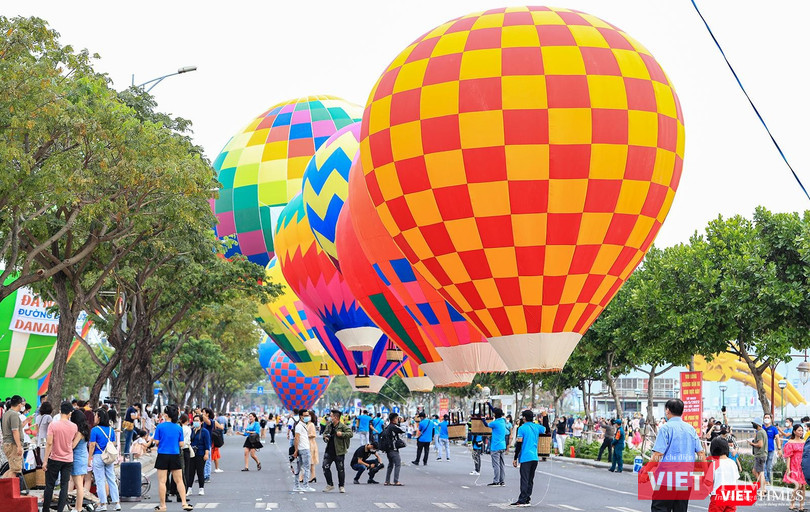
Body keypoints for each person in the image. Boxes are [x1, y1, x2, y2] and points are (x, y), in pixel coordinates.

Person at [646, 399, 705, 512]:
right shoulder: (691, 429)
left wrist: (646, 470)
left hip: (666, 480)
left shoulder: (666, 428)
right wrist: (706, 474)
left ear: (667, 410)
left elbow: (658, 453)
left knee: (660, 508)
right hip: (685, 480)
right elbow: (701, 453)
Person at [42, 402, 79, 512]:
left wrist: (45, 461)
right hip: (68, 459)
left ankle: (45, 509)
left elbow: (49, 443)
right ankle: (60, 510)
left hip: (54, 458)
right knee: (64, 485)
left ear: (60, 411)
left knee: (49, 485)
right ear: (70, 413)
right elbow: (72, 442)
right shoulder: (74, 426)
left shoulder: (53, 425)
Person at [89, 408, 121, 512]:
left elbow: (92, 445)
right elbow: (113, 443)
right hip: (109, 457)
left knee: (100, 481)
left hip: (98, 456)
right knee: (111, 479)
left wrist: (89, 458)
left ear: (99, 417)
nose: (94, 417)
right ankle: (117, 503)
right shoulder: (111, 430)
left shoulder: (95, 430)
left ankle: (103, 504)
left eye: (95, 415)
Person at [511, 410, 545, 507]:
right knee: (530, 479)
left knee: (524, 479)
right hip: (534, 457)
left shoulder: (521, 428)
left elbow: (519, 444)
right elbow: (546, 429)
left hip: (526, 457)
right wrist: (545, 417)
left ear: (524, 418)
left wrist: (515, 458)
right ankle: (527, 499)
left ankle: (522, 500)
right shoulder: (537, 427)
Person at [322, 409, 353, 493]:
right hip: (329, 451)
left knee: (340, 469)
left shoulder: (343, 426)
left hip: (339, 451)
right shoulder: (329, 425)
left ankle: (341, 486)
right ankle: (330, 484)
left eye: (331, 416)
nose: (330, 417)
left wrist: (341, 434)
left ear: (336, 417)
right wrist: (325, 437)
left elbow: (350, 434)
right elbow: (325, 433)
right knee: (325, 466)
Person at [69, 409, 90, 512]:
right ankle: (78, 507)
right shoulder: (85, 431)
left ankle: (78, 508)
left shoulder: (79, 433)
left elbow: (73, 445)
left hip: (77, 459)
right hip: (83, 457)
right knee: (80, 483)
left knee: (79, 485)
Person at [782, 423, 806, 511]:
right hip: (794, 465)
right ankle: (792, 504)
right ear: (794, 431)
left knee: (803, 487)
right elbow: (788, 456)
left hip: (803, 465)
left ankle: (801, 506)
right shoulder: (790, 442)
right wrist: (788, 468)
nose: (801, 432)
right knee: (798, 486)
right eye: (799, 430)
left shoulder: (804, 442)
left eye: (802, 430)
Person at [482, 407, 508, 486]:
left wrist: (483, 419)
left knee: (496, 464)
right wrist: (489, 405)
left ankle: (496, 481)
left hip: (496, 446)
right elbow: (496, 412)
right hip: (502, 446)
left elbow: (486, 424)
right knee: (502, 464)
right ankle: (502, 481)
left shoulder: (495, 423)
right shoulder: (503, 421)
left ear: (495, 415)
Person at [1, 395, 25, 479]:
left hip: (7, 443)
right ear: (19, 404)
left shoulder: (6, 414)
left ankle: (3, 484)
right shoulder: (14, 415)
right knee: (15, 470)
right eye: (22, 404)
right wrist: (19, 446)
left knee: (12, 468)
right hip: (13, 444)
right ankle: (10, 487)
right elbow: (15, 431)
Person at [187, 413, 211, 497]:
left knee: (200, 472)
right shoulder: (191, 431)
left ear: (201, 422)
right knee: (190, 472)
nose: (195, 422)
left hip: (201, 453)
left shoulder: (205, 432)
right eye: (194, 420)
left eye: (197, 421)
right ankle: (189, 488)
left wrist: (206, 454)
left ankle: (201, 488)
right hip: (191, 454)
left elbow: (207, 444)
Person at [380, 412, 405, 486]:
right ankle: (396, 481)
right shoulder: (393, 427)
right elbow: (403, 430)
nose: (398, 420)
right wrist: (402, 423)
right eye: (397, 418)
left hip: (388, 449)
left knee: (391, 464)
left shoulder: (388, 427)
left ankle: (387, 481)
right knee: (398, 463)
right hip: (393, 449)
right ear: (394, 419)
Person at [293, 410, 314, 492]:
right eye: (305, 415)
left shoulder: (303, 425)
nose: (307, 417)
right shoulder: (299, 426)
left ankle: (297, 486)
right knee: (306, 468)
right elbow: (296, 438)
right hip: (304, 449)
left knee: (299, 468)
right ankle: (305, 485)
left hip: (302, 448)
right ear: (300, 416)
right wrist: (296, 450)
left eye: (308, 415)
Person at [748, 418, 767, 498]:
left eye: (754, 424)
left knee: (761, 473)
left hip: (760, 455)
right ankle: (763, 488)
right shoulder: (762, 431)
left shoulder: (760, 432)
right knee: (755, 471)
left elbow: (760, 444)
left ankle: (763, 490)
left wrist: (752, 443)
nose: (753, 425)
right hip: (761, 455)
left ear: (758, 424)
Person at [761, 413, 781, 485]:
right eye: (765, 417)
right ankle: (766, 480)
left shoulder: (774, 429)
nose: (766, 419)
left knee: (769, 466)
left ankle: (769, 480)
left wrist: (779, 448)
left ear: (771, 419)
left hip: (771, 449)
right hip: (762, 450)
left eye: (768, 417)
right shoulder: (761, 428)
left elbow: (777, 438)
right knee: (763, 465)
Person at [34, 401, 53, 467]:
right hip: (46, 439)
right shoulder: (48, 417)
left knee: (40, 458)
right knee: (46, 458)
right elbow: (52, 428)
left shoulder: (37, 417)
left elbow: (36, 429)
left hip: (39, 439)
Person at [306, 411, 319, 485]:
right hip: (307, 443)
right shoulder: (307, 424)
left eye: (308, 415)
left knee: (309, 461)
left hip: (311, 444)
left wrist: (305, 436)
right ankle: (313, 476)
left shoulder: (311, 425)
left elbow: (313, 434)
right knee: (311, 462)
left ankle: (302, 477)